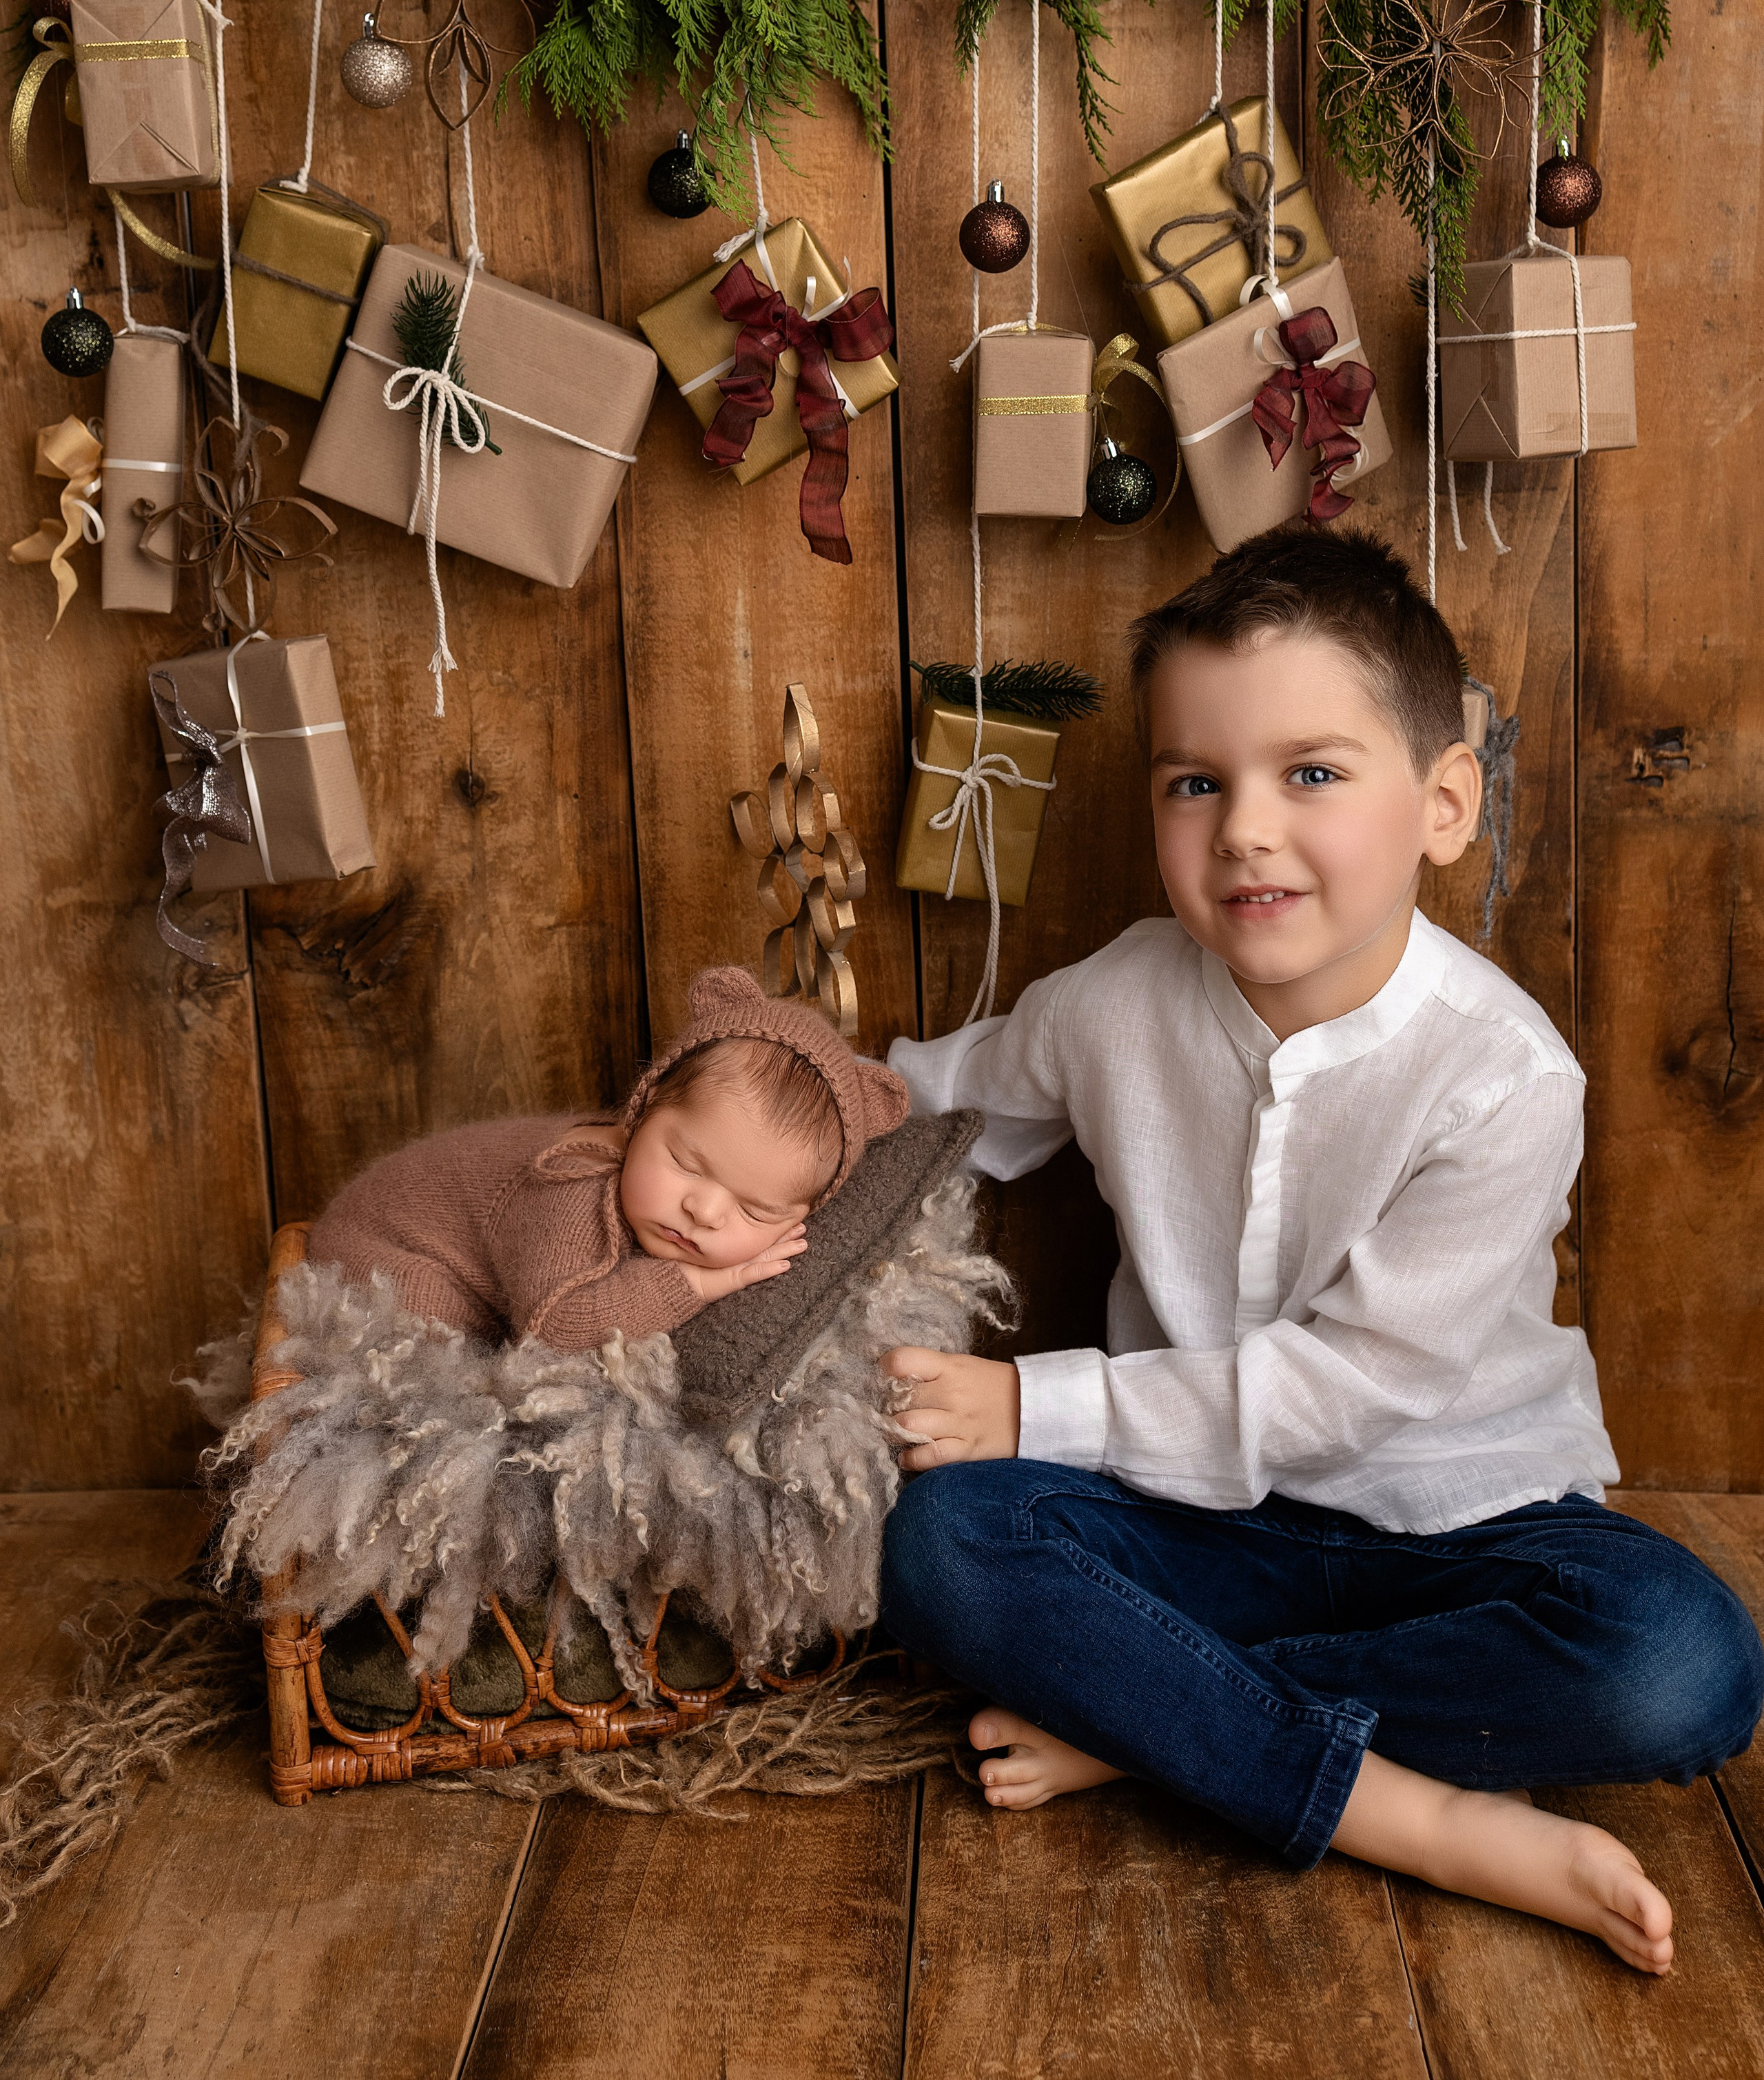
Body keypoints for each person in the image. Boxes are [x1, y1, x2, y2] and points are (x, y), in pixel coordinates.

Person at [880, 527, 1762, 1975]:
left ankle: (1172, 1728)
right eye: (1193, 782)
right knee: (938, 1545)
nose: (1242, 828)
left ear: (1442, 805)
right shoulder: (1112, 1004)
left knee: (1678, 1661)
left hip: (1457, 1530)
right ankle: (1350, 1785)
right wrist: (720, 1130)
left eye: (1309, 774)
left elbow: (1349, 1390)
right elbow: (926, 1114)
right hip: (1186, 1529)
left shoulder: (1503, 1077)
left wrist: (1032, 1404)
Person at [310, 965, 909, 1349]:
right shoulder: (574, 1189)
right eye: (686, 1164)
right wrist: (701, 1283)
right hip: (382, 1252)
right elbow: (556, 1329)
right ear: (641, 1112)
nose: (703, 1211)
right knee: (439, 1347)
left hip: (470, 1269)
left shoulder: (670, 1198)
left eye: (756, 1212)